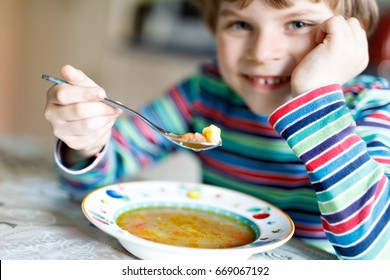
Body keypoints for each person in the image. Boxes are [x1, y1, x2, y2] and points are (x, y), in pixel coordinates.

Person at [44, 0, 389, 260]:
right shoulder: (205, 92)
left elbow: (369, 245)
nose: (262, 52)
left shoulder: (371, 106)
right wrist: (85, 143)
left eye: (297, 23)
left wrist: (316, 98)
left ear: (349, 37)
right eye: (240, 24)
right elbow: (90, 186)